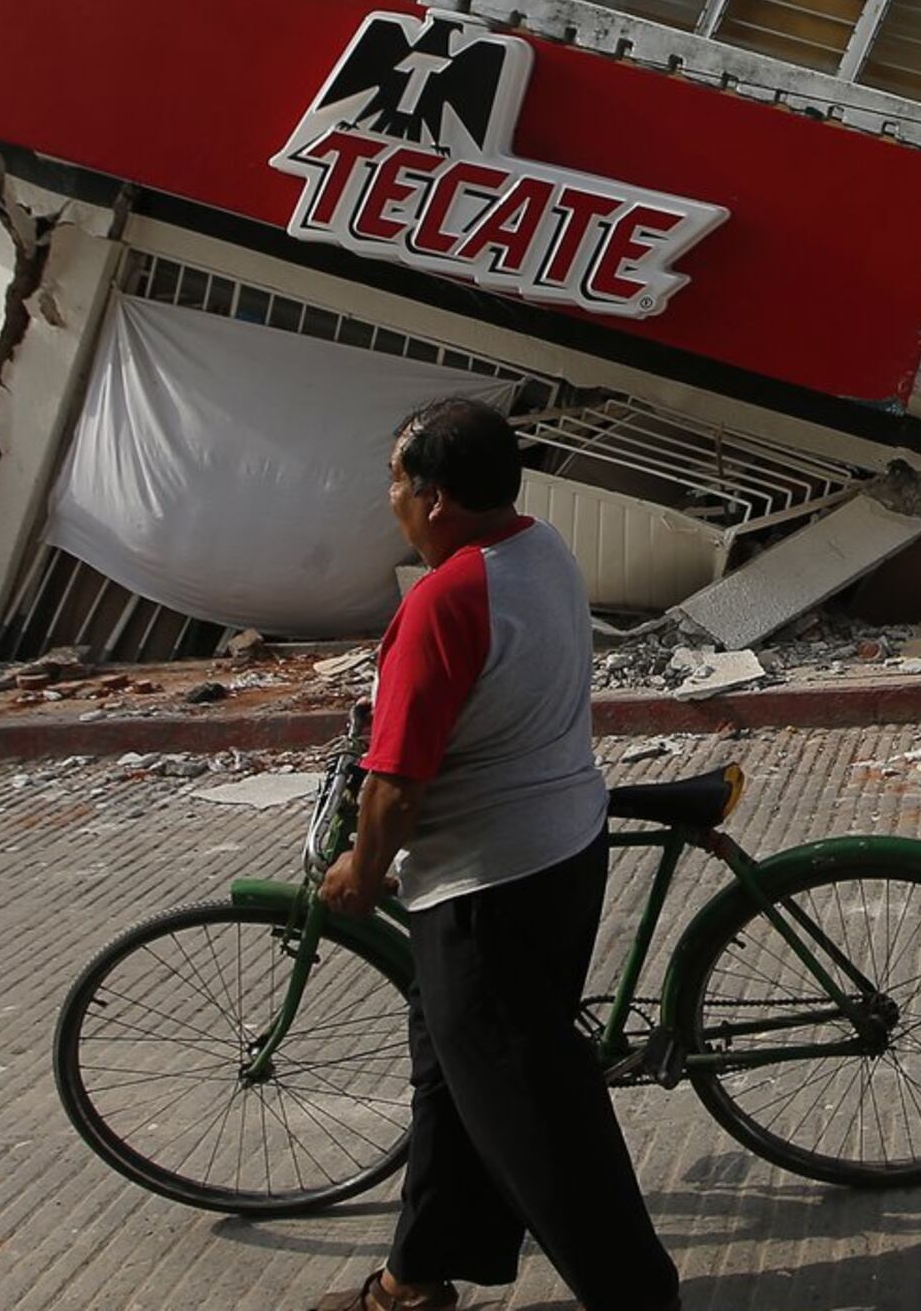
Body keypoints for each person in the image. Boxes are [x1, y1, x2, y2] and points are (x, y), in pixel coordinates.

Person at [317, 397, 680, 1311]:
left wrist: (362, 870)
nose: (390, 496)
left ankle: (637, 1295)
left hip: (490, 884)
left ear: (435, 499)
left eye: (397, 481)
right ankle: (414, 1278)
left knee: (535, 1113)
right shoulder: (538, 547)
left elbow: (394, 784)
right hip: (563, 846)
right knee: (454, 1078)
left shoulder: (444, 599)